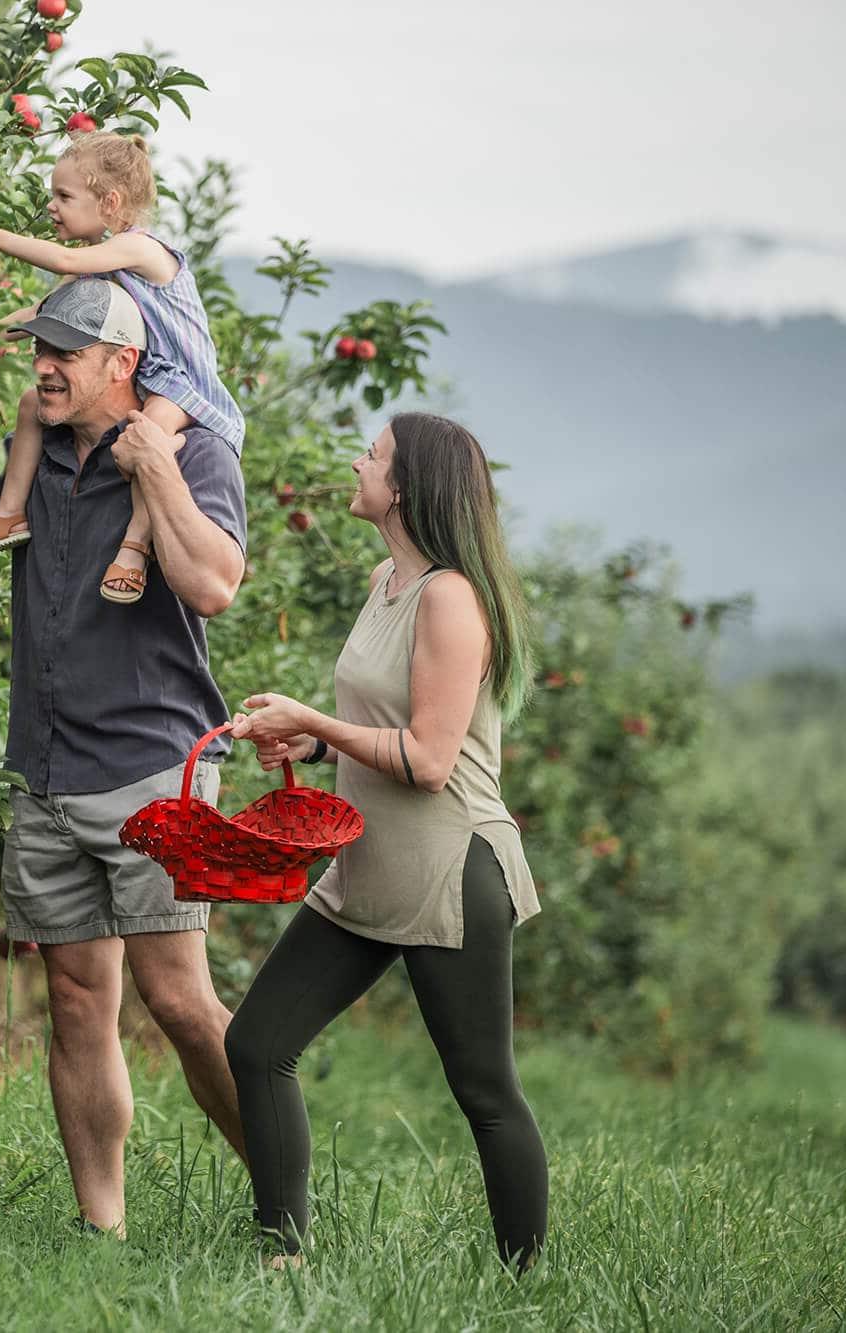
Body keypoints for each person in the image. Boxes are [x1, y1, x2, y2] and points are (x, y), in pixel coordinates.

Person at [0, 277, 250, 1237]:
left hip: (154, 762)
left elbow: (215, 584)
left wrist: (155, 472)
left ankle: (280, 1187)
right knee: (75, 997)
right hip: (47, 766)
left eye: (65, 353)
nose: (44, 368)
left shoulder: (194, 451)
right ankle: (103, 1230)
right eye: (38, 350)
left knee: (178, 996)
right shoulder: (35, 454)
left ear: (123, 364)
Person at [226, 412, 548, 1272]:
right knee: (257, 1044)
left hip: (449, 868)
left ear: (403, 488)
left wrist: (311, 716)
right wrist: (315, 743)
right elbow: (385, 724)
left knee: (483, 1090)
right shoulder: (388, 579)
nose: (358, 461)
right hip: (368, 863)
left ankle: (524, 1283)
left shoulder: (450, 596)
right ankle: (281, 1258)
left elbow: (431, 759)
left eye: (373, 454)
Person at [0, 131, 245, 605]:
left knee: (147, 442)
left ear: (110, 201)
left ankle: (134, 547)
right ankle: (8, 513)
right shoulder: (94, 268)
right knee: (28, 406)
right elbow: (40, 310)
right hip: (142, 375)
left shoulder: (141, 249)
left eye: (64, 196)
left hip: (182, 383)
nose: (52, 207)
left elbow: (63, 256)